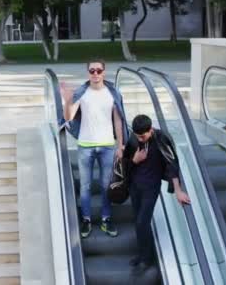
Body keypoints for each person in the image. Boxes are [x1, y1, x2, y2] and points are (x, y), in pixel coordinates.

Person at [61, 59, 127, 238]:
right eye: (92, 71)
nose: (95, 74)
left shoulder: (112, 94)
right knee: (85, 186)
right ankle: (86, 220)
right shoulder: (82, 93)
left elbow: (118, 120)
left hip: (107, 146)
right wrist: (68, 101)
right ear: (88, 73)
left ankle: (106, 219)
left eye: (99, 70)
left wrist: (120, 144)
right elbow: (69, 116)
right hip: (85, 146)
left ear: (104, 72)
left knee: (106, 185)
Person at [122, 114, 191, 275]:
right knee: (138, 221)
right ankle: (141, 255)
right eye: (137, 135)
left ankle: (147, 259)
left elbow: (171, 163)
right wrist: (135, 160)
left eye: (143, 136)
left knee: (142, 223)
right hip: (135, 186)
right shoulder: (133, 139)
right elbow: (125, 164)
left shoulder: (161, 139)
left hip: (151, 188)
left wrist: (178, 190)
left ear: (150, 129)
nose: (140, 139)